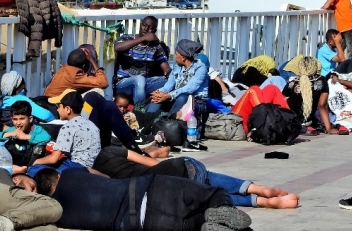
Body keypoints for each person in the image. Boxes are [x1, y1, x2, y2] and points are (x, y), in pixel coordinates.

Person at [35, 167, 252, 231]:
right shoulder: (71, 174)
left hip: (142, 223)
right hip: (151, 188)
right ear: (58, 176)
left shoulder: (60, 216)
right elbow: (103, 175)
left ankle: (207, 224)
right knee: (213, 193)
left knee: (196, 223)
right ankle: (221, 208)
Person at [93, 145, 299, 209]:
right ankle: (256, 188)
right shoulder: (111, 151)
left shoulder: (111, 181)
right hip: (185, 165)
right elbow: (153, 163)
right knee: (208, 178)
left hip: (175, 185)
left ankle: (260, 201)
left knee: (210, 196)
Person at [30, 91, 101, 174]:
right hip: (92, 166)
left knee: (34, 170)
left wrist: (36, 162)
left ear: (67, 109)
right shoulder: (93, 125)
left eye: (59, 106)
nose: (57, 110)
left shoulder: (68, 126)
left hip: (75, 166)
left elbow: (53, 159)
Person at [114, 16, 171, 103]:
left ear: (154, 32)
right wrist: (143, 38)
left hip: (143, 83)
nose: (146, 29)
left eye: (151, 28)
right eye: (144, 25)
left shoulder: (155, 46)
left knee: (169, 80)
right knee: (139, 79)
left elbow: (165, 66)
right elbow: (117, 47)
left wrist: (169, 73)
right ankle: (139, 111)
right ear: (140, 25)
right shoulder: (126, 38)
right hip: (123, 84)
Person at [0, 101, 51, 166]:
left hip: (31, 162)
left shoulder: (36, 130)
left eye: (22, 119)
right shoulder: (13, 130)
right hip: (15, 163)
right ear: (12, 119)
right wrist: (9, 134)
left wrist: (27, 137)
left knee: (39, 148)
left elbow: (47, 138)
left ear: (30, 119)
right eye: (15, 119)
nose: (18, 123)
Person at [44, 47, 108, 98]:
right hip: (55, 106)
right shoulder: (75, 76)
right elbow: (103, 83)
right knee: (98, 91)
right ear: (84, 65)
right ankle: (85, 114)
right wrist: (92, 60)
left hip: (48, 100)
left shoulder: (64, 68)